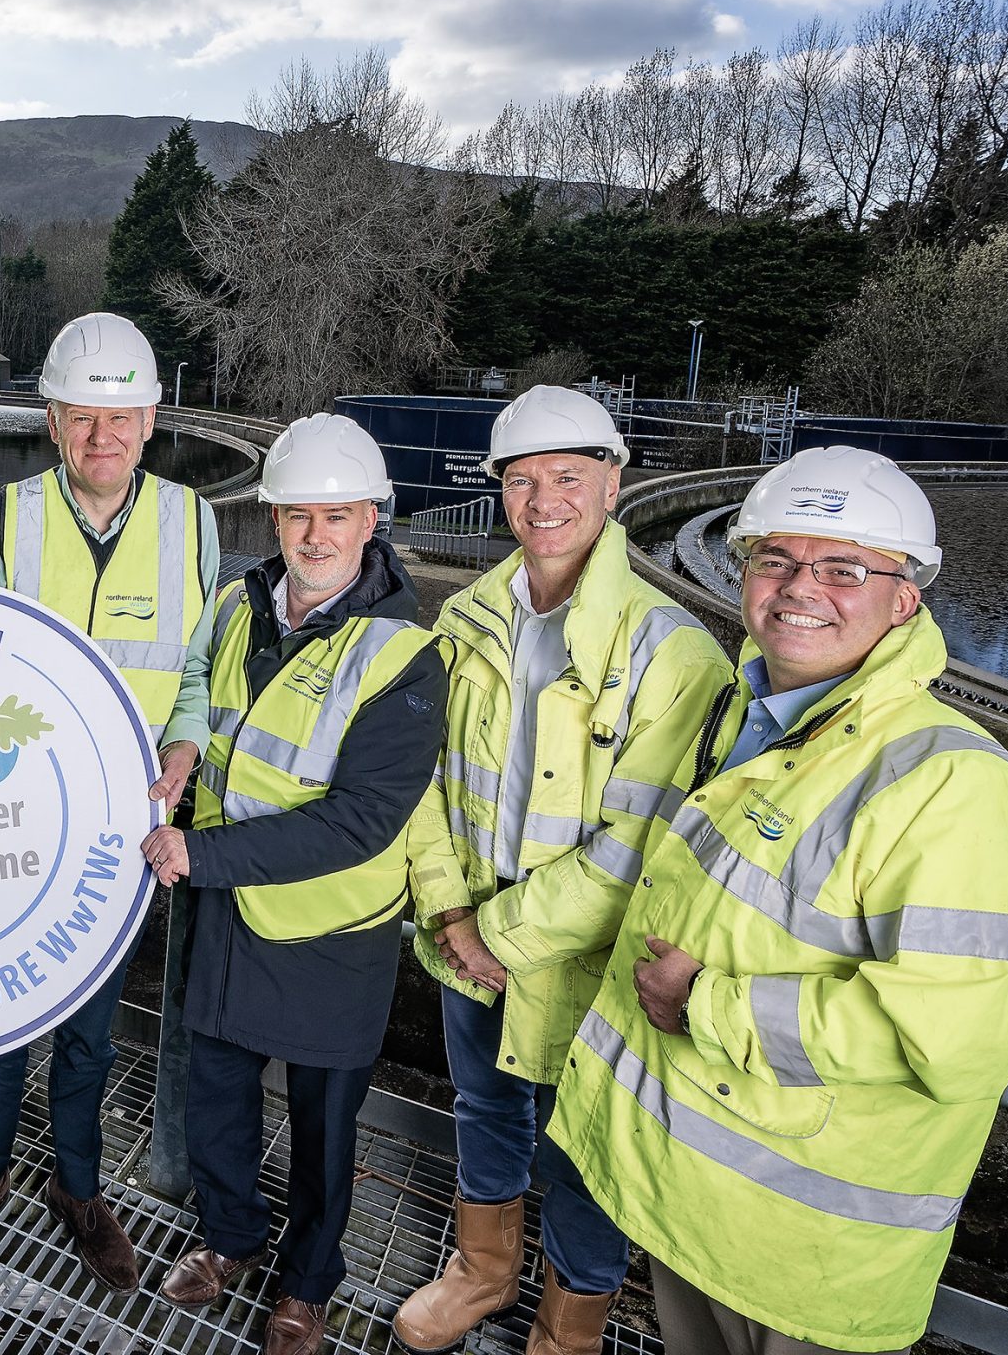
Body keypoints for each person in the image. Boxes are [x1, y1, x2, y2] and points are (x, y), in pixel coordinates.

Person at [551, 446, 1008, 1354]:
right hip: (694, 1202)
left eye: (845, 570)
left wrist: (709, 1003)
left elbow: (964, 1037)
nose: (801, 589)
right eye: (776, 559)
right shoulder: (746, 719)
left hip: (806, 1253)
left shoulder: (960, 787)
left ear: (905, 599)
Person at [397, 386, 732, 1355]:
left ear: (614, 484)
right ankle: (484, 1270)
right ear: (499, 490)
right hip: (467, 935)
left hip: (587, 967)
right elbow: (421, 779)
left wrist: (488, 934)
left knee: (590, 1148)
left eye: (567, 477)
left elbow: (637, 854)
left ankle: (569, 1327)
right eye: (522, 479)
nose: (543, 499)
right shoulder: (462, 618)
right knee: (485, 1104)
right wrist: (449, 905)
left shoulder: (672, 655)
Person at [144, 415, 446, 1354]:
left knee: (323, 1131)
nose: (314, 536)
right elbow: (198, 681)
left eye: (337, 516)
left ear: (372, 521)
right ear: (273, 519)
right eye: (296, 516)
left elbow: (361, 820)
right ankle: (230, 1241)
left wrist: (204, 857)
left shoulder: (404, 656)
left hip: (328, 936)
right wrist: (185, 739)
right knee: (217, 1102)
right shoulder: (239, 605)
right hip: (228, 916)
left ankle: (309, 1285)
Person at [0, 311, 219, 1292]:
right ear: (52, 423)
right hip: (10, 831)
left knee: (89, 1031)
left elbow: (194, 676)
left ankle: (78, 1188)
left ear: (150, 420)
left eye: (122, 417)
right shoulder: (2, 523)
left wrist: (186, 743)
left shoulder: (194, 523)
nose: (103, 437)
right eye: (81, 418)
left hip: (116, 839)